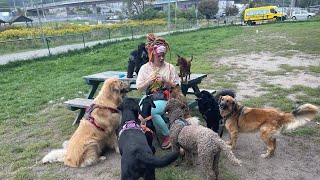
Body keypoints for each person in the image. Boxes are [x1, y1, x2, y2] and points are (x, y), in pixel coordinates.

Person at [136, 33, 180, 149]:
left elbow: (177, 87)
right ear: (152, 54)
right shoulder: (145, 68)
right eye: (158, 56)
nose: (161, 58)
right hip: (149, 97)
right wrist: (148, 82)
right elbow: (139, 87)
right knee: (139, 110)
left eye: (163, 55)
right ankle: (146, 132)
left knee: (153, 112)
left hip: (165, 98)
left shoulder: (170, 67)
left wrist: (166, 81)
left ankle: (169, 135)